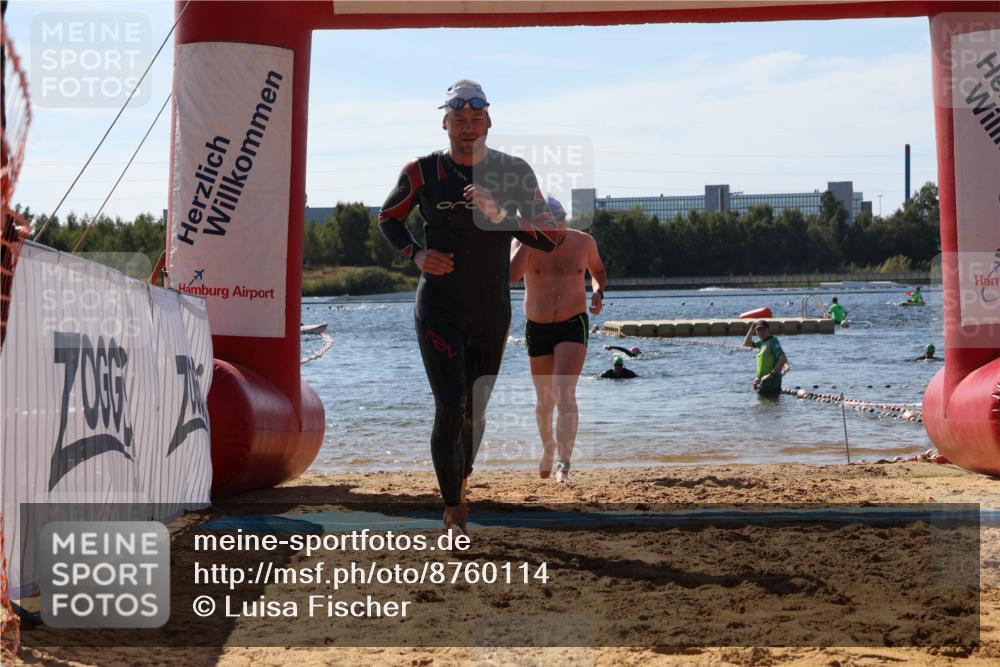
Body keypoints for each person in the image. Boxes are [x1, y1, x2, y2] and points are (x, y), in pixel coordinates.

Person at [378, 80, 563, 533]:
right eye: (458, 120)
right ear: (445, 123)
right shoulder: (421, 172)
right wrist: (417, 255)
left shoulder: (513, 172)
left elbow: (551, 236)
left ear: (489, 121)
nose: (467, 128)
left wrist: (501, 216)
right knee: (450, 403)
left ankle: (460, 480)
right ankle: (454, 510)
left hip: (490, 309)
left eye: (475, 119)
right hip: (439, 304)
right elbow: (388, 218)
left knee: (475, 410)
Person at [510, 196, 608, 484]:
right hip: (537, 326)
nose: (558, 234)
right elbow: (512, 276)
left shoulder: (583, 242)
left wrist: (598, 291)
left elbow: (598, 271)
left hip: (572, 323)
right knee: (545, 401)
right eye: (550, 229)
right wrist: (531, 238)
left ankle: (564, 464)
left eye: (560, 226)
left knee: (565, 392)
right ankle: (548, 448)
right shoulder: (522, 242)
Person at [743, 320, 788, 398]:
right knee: (763, 409)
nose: (760, 332)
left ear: (768, 330)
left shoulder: (773, 342)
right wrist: (752, 328)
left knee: (770, 408)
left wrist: (770, 375)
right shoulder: (761, 343)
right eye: (758, 330)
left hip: (771, 386)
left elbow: (783, 359)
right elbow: (746, 344)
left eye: (762, 329)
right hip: (762, 384)